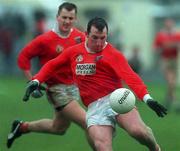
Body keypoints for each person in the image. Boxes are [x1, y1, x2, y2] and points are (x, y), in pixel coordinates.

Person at [24, 17, 167, 151]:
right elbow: (52, 65)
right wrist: (36, 80)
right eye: (94, 38)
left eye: (103, 38)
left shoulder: (113, 54)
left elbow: (131, 77)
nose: (99, 43)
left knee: (138, 132)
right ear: (86, 34)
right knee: (101, 146)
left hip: (117, 98)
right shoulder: (74, 52)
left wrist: (147, 98)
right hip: (94, 107)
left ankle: (155, 148)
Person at [7, 2, 90, 149]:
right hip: (56, 90)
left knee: (58, 128)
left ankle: (21, 127)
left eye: (70, 18)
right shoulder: (45, 40)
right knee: (88, 122)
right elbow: (23, 57)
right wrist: (32, 81)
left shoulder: (80, 37)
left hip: (73, 88)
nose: (67, 21)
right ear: (57, 17)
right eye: (64, 17)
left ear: (75, 19)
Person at [154, 18, 180, 111]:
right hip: (165, 59)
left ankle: (168, 99)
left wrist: (173, 45)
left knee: (172, 82)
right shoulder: (160, 35)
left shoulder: (177, 34)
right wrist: (164, 47)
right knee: (170, 81)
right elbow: (156, 48)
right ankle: (175, 101)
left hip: (174, 59)